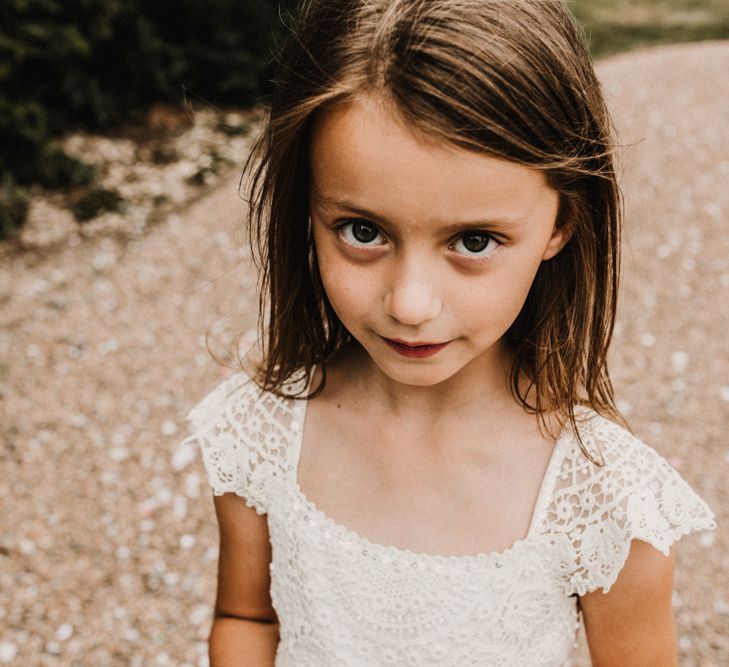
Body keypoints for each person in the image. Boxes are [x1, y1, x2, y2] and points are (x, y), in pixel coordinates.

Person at [180, 1, 716, 664]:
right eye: (363, 231)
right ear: (306, 208)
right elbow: (245, 616)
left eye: (472, 240)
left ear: (559, 224)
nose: (409, 302)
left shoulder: (606, 502)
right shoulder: (258, 431)